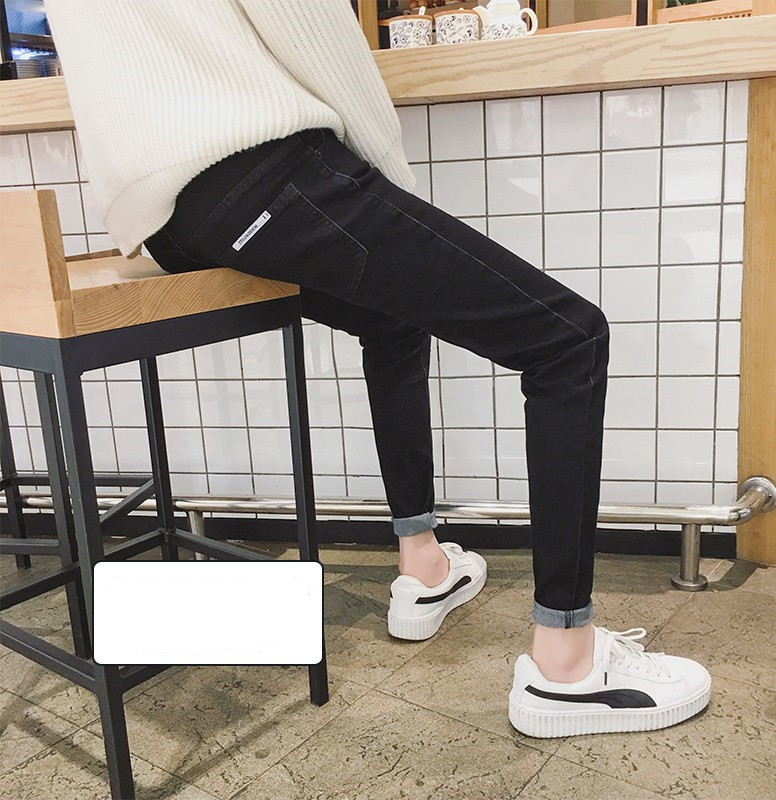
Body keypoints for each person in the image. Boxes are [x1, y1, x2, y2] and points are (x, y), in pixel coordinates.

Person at [44, 0, 711, 738]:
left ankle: (423, 567)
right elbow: (312, 27)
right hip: (262, 170)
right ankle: (566, 664)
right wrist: (388, 187)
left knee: (393, 321)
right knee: (569, 342)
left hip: (169, 224)